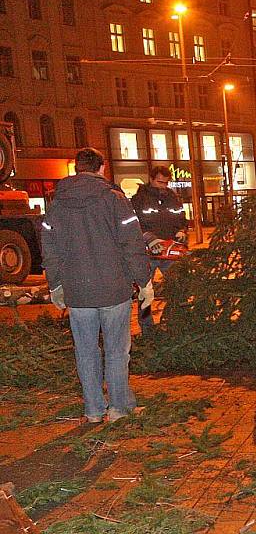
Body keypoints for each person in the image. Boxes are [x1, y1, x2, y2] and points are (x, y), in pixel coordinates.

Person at [41, 147, 153, 423]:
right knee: (117, 350)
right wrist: (144, 281)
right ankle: (117, 409)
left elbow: (49, 248)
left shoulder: (56, 204)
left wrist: (55, 285)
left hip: (78, 292)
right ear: (102, 168)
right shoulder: (115, 199)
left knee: (86, 350)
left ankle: (93, 410)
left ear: (77, 168)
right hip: (114, 288)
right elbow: (132, 244)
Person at [130, 165, 188, 330]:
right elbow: (133, 225)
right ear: (151, 179)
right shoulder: (139, 199)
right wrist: (148, 238)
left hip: (170, 252)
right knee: (146, 293)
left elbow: (181, 218)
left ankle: (173, 321)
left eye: (165, 183)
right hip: (147, 253)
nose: (163, 186)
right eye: (159, 182)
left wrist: (181, 231)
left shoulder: (173, 198)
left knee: (178, 288)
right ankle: (147, 328)